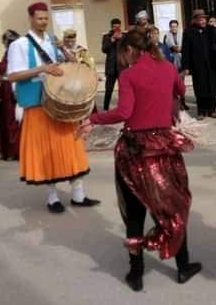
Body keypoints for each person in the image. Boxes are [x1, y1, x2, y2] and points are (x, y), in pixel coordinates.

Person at [78, 28, 202, 292]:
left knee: (134, 214)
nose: (122, 59)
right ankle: (183, 267)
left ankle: (136, 273)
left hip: (134, 151)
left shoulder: (128, 75)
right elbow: (179, 90)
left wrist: (92, 119)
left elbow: (124, 112)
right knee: (172, 208)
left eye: (123, 53)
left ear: (130, 50)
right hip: (165, 148)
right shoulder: (168, 67)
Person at [7, 2, 99, 213]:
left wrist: (63, 50)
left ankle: (79, 195)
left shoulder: (52, 41)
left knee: (71, 147)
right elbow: (12, 76)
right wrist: (41, 69)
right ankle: (52, 198)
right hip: (37, 104)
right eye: (39, 18)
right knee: (46, 151)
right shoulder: (19, 45)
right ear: (30, 18)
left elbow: (70, 65)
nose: (43, 22)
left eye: (46, 18)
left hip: (60, 102)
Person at [181, 9, 216, 119]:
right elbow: (185, 50)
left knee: (212, 87)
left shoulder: (211, 30)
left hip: (211, 64)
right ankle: (201, 111)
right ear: (195, 20)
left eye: (204, 19)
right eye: (200, 19)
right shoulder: (188, 32)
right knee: (200, 87)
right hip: (197, 65)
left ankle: (212, 110)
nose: (203, 21)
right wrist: (186, 66)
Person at [0, 29, 21, 160]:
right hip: (15, 86)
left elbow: (2, 69)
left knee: (12, 119)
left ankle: (15, 150)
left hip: (11, 87)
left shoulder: (10, 53)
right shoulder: (17, 52)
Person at [102, 18, 123, 110]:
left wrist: (121, 38)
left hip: (122, 67)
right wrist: (112, 39)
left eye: (118, 27)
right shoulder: (107, 36)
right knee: (109, 89)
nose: (116, 28)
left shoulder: (124, 36)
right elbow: (104, 49)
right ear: (111, 27)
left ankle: (122, 106)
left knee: (123, 89)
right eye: (114, 27)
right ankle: (106, 108)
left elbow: (127, 49)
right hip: (111, 68)